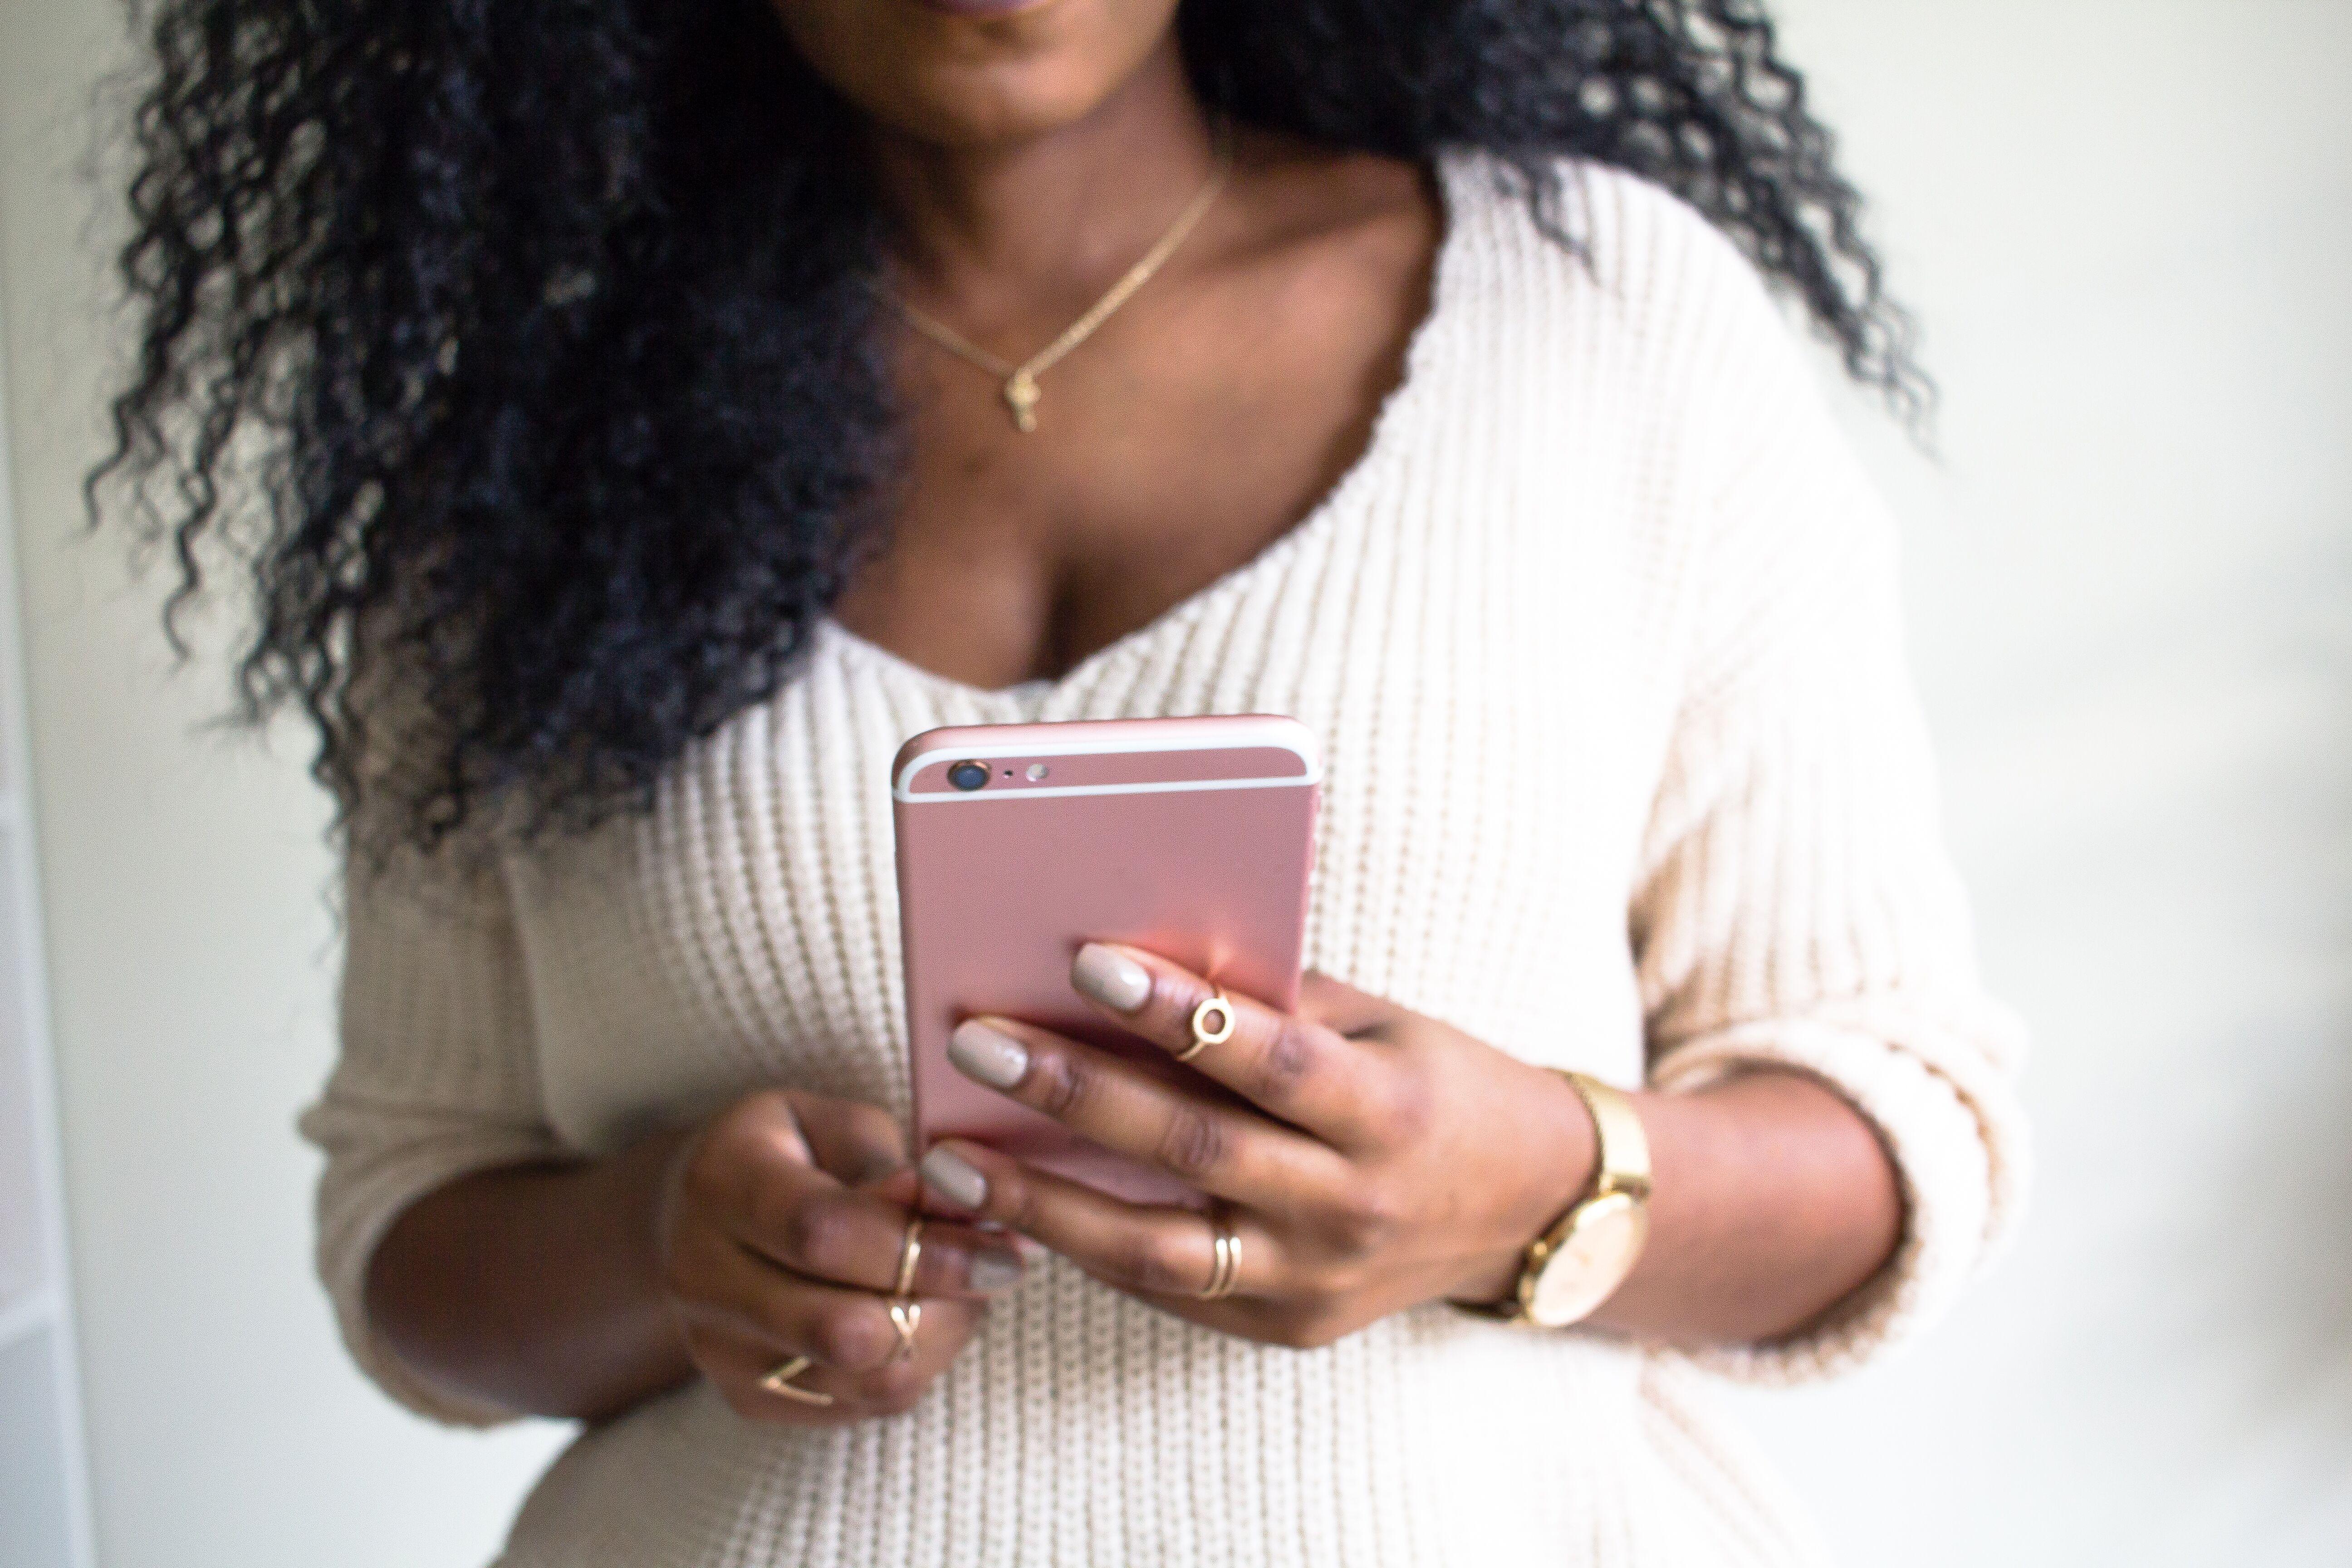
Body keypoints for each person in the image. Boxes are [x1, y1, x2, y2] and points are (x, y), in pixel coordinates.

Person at [101, 1, 2028, 1563]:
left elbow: (1896, 1128)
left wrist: (1527, 1189)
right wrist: (667, 1246)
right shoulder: (517, 469)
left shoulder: (1598, 315)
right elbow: (412, 1231)